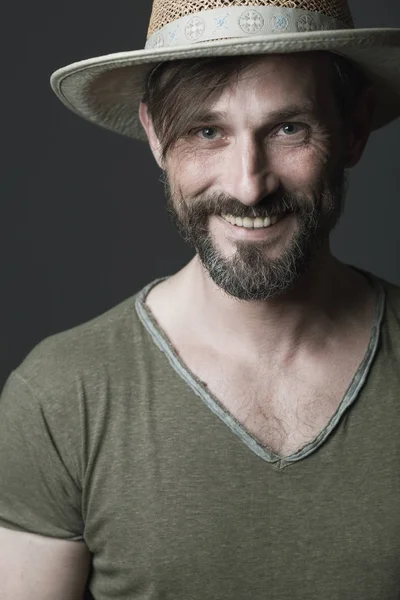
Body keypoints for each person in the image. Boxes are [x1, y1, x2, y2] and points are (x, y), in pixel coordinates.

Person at [1, 0, 400, 599]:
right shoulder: (61, 396)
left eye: (289, 127)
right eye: (206, 131)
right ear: (157, 137)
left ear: (355, 129)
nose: (248, 184)